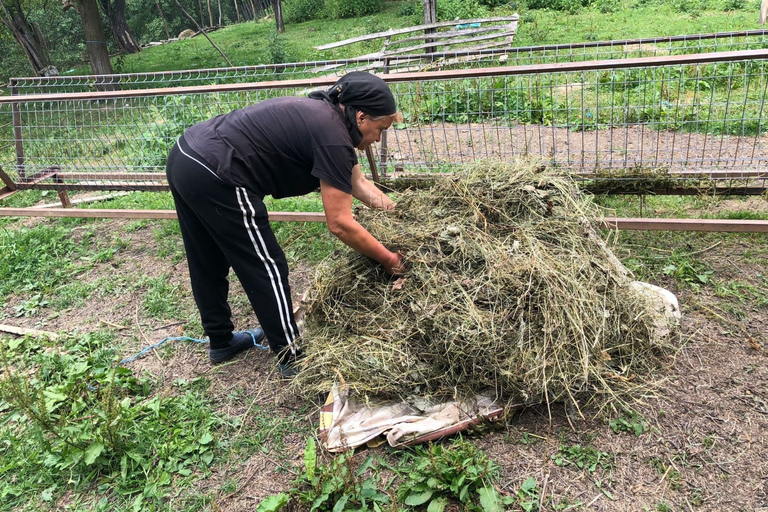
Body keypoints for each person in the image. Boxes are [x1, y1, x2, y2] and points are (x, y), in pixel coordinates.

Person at [165, 71, 404, 376]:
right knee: (266, 265)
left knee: (206, 257)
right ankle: (292, 355)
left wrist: (399, 212)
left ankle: (221, 340)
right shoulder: (334, 138)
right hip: (219, 169)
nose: (378, 138)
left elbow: (358, 185)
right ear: (360, 117)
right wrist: (390, 259)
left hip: (187, 154)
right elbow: (340, 224)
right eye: (380, 128)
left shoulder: (331, 119)